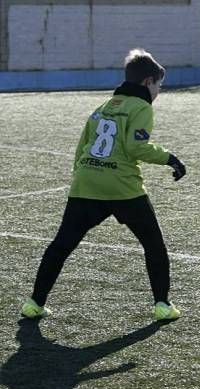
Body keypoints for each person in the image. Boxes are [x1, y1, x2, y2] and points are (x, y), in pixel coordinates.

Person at [20, 48, 187, 321]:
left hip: (86, 182)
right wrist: (170, 158)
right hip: (122, 187)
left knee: (61, 245)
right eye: (159, 85)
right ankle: (162, 305)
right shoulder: (141, 107)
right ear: (148, 82)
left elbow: (82, 146)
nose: (159, 91)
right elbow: (136, 147)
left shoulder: (104, 107)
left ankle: (34, 303)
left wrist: (82, 175)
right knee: (154, 245)